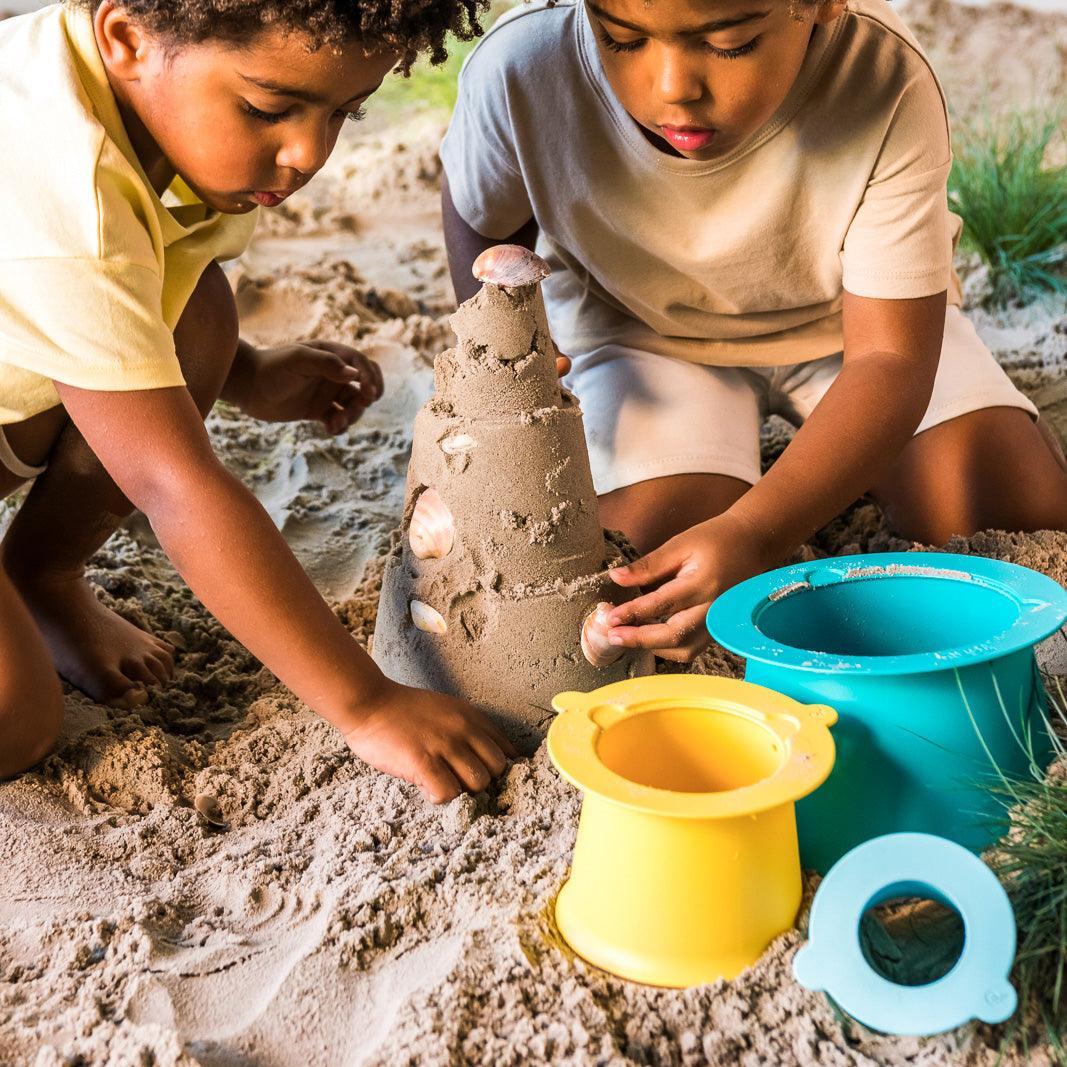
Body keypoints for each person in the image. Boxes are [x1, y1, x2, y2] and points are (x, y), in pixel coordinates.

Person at [440, 0, 1067, 663]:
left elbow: (891, 356)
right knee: (637, 569)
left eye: (730, 42)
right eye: (621, 40)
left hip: (855, 326)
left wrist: (757, 530)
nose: (672, 86)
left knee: (1007, 514)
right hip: (640, 332)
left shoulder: (884, 78)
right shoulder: (523, 64)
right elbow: (480, 209)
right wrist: (511, 345)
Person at [0, 0, 515, 803]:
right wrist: (368, 704)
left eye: (345, 110)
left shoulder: (141, 91)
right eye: (269, 109)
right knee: (14, 717)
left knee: (201, 317)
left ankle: (41, 572)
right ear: (126, 37)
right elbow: (172, 483)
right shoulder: (63, 188)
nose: (310, 151)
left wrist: (242, 371)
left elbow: (135, 286)